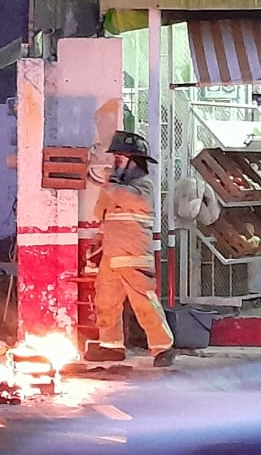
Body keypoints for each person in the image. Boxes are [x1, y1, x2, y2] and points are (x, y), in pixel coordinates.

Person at [83, 130, 176, 368]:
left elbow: (134, 201)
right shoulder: (114, 187)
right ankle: (111, 346)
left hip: (134, 255)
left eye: (120, 158)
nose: (115, 162)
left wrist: (109, 184)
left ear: (135, 161)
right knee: (105, 302)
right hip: (112, 256)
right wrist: (99, 238)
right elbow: (104, 214)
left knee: (144, 303)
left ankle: (162, 347)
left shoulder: (143, 185)